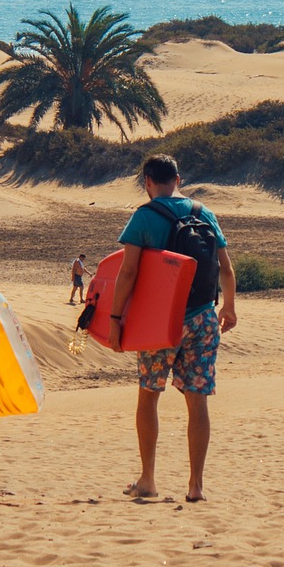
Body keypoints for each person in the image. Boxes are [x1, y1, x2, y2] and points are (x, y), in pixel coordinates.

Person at [109, 154, 237, 503]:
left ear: (147, 181)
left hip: (159, 324)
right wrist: (229, 307)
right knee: (197, 402)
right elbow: (225, 268)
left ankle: (148, 478)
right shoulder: (204, 213)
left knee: (149, 395)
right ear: (178, 179)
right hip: (203, 318)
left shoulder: (145, 216)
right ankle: (196, 485)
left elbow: (129, 272)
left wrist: (115, 319)